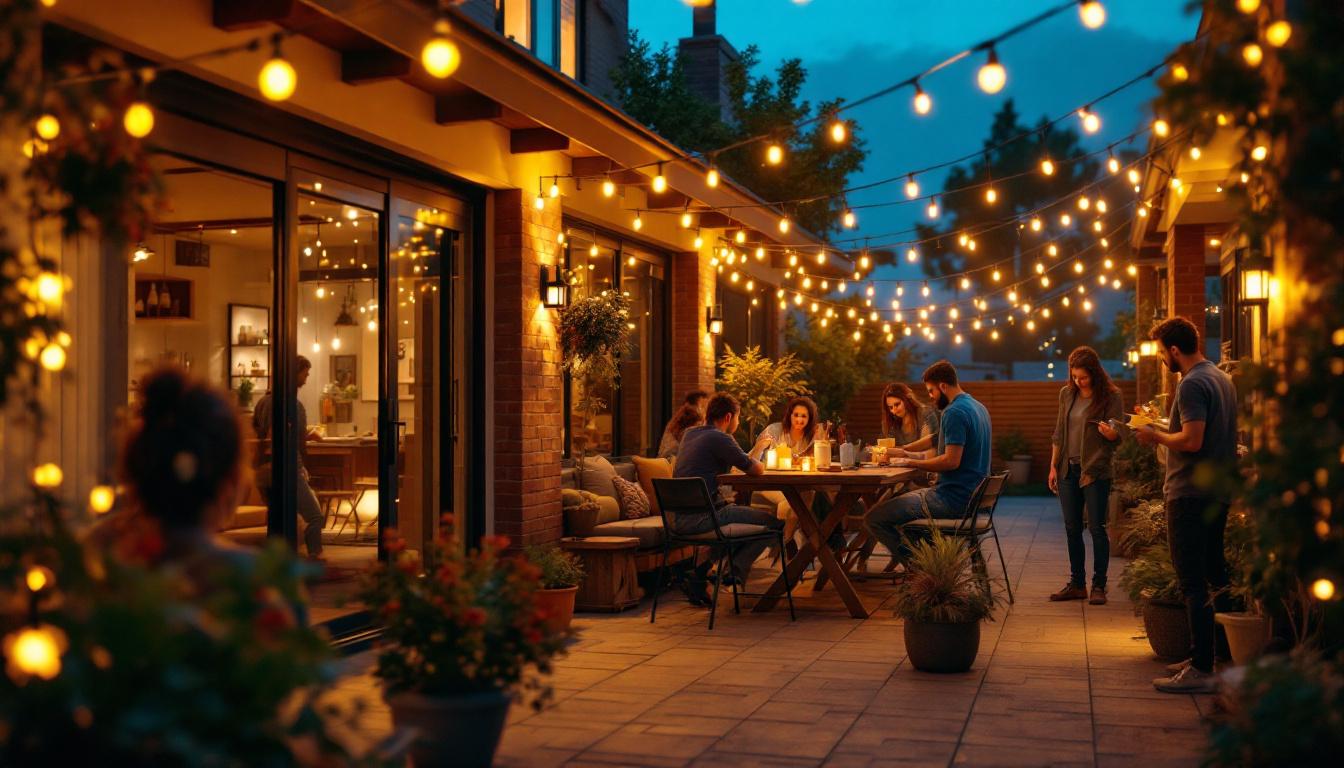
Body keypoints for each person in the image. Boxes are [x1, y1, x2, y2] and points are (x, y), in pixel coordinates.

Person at [1136, 317, 1239, 694]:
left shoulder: (1192, 383)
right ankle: (1216, 658)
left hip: (1189, 494)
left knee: (1192, 581)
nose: (1163, 359)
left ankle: (1200, 668)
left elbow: (1193, 440)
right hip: (1217, 491)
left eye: (1163, 352)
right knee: (1215, 576)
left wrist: (1155, 436)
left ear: (1174, 350)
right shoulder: (1220, 379)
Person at [865, 361, 991, 566]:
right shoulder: (978, 408)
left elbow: (951, 461)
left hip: (952, 500)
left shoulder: (953, 412)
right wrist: (902, 451)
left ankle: (924, 571)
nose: (930, 396)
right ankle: (934, 563)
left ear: (942, 386)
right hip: (974, 500)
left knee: (874, 518)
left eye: (931, 391)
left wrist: (910, 462)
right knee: (900, 506)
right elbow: (935, 438)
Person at [673, 392, 783, 604]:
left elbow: (732, 466)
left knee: (743, 519)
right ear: (728, 417)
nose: (738, 422)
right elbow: (756, 469)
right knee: (774, 525)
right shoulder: (719, 437)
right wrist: (760, 447)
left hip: (678, 518)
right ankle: (731, 573)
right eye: (738, 418)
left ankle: (705, 572)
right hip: (707, 517)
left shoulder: (690, 434)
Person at [1047, 346, 1124, 605]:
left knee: (1097, 528)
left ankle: (1099, 585)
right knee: (1072, 528)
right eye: (1074, 376)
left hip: (1095, 469)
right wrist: (1053, 466)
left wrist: (1111, 433)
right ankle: (1077, 584)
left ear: (1095, 373)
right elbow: (1059, 432)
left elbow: (1118, 434)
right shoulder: (1066, 394)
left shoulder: (1111, 396)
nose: (1078, 381)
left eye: (1083, 377)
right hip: (1068, 468)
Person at [251, 356, 324, 560]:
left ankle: (278, 562)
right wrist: (304, 466)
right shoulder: (294, 405)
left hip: (264, 470)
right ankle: (314, 557)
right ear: (295, 373)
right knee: (314, 516)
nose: (306, 378)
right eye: (305, 373)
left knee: (278, 519)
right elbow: (299, 442)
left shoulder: (262, 403)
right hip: (289, 467)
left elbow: (262, 433)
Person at [880, 383, 939, 449]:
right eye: (890, 407)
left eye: (897, 404)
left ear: (907, 399)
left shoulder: (925, 413)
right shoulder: (892, 424)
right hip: (899, 459)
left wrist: (902, 450)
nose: (894, 410)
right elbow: (888, 449)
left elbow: (927, 446)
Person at [757, 395, 821, 456]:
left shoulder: (813, 438)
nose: (799, 419)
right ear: (790, 416)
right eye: (796, 415)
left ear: (809, 419)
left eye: (804, 416)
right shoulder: (773, 430)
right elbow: (755, 456)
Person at [658, 389, 709, 458]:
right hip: (673, 462)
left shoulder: (678, 418)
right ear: (691, 405)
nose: (705, 411)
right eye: (702, 406)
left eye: (706, 407)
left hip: (667, 459)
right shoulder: (690, 418)